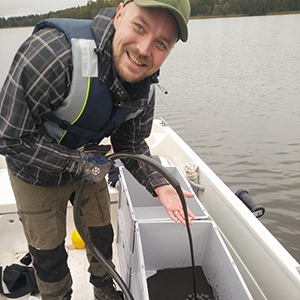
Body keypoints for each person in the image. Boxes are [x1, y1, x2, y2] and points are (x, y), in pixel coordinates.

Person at [0, 0, 194, 299]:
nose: (144, 49)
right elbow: (9, 138)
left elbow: (130, 144)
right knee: (49, 256)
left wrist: (160, 184)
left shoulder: (143, 86)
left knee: (102, 236)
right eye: (139, 26)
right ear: (119, 14)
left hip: (90, 164)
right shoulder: (52, 53)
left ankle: (103, 288)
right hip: (34, 172)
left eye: (161, 43)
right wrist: (80, 165)